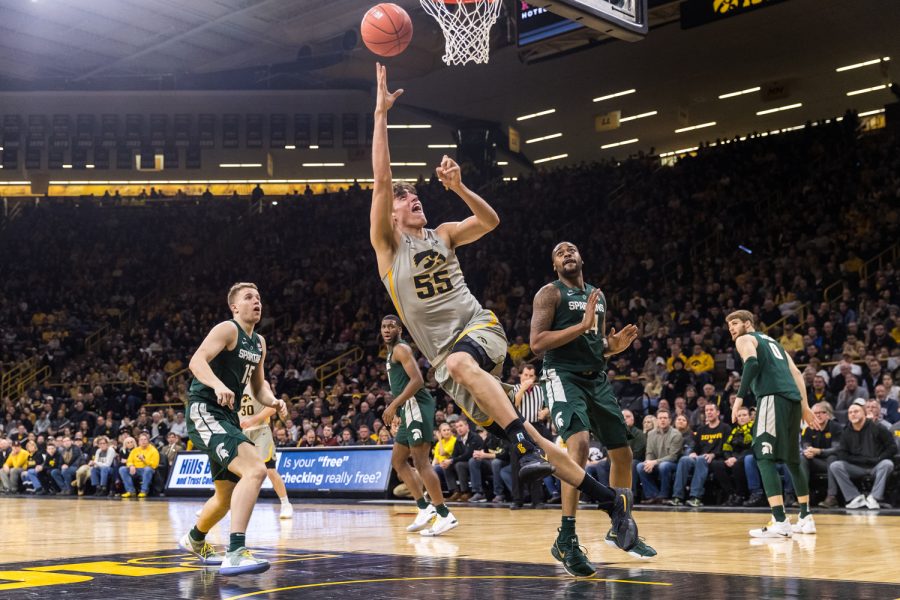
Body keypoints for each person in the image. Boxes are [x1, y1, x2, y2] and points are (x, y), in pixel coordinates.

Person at [369, 63, 636, 553]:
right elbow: (381, 176)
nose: (415, 202)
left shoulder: (445, 232)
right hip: (450, 367)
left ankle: (519, 444)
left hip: (478, 329)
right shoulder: (388, 248)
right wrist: (381, 114)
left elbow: (491, 220)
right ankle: (607, 504)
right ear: (390, 213)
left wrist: (458, 188)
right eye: (407, 201)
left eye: (417, 197)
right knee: (535, 434)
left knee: (465, 368)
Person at [530, 240, 654, 575]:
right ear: (555, 266)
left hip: (595, 377)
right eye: (559, 252)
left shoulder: (596, 296)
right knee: (580, 444)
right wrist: (581, 327)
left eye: (571, 250)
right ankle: (567, 537)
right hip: (561, 374)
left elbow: (595, 344)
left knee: (623, 451)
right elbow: (537, 343)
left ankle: (620, 525)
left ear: (582, 258)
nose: (567, 253)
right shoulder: (549, 294)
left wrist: (611, 347)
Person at [179, 282, 289, 575]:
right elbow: (196, 361)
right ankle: (236, 551)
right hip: (205, 409)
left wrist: (275, 401)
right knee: (256, 470)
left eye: (259, 297)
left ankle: (194, 538)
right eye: (249, 297)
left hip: (227, 417)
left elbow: (258, 388)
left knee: (225, 497)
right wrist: (217, 385)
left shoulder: (259, 343)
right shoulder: (227, 329)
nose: (256, 302)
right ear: (235, 306)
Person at [727, 310, 821, 538]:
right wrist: (805, 407)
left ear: (748, 324)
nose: (731, 328)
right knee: (792, 459)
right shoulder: (775, 344)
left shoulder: (745, 339)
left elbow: (751, 363)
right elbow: (797, 373)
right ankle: (806, 517)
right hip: (792, 401)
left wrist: (738, 400)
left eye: (735, 323)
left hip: (771, 398)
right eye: (729, 325)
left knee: (763, 455)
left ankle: (779, 521)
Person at [379, 315, 456, 535]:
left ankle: (444, 514)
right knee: (398, 460)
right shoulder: (391, 352)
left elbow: (417, 381)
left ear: (399, 330)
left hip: (417, 406)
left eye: (391, 326)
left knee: (421, 462)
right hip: (408, 408)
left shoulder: (401, 349)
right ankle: (424, 508)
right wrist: (399, 410)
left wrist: (393, 406)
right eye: (384, 326)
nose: (386, 329)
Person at [828, 398, 895, 509]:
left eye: (856, 411)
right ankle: (855, 497)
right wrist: (860, 460)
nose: (853, 414)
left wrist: (879, 459)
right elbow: (842, 453)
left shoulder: (878, 427)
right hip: (856, 467)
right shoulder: (846, 432)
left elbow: (892, 447)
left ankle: (874, 497)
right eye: (850, 412)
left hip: (876, 466)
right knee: (835, 466)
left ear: (864, 413)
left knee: (887, 464)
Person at [239, 381, 293, 519]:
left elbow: (272, 408)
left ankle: (286, 504)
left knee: (270, 470)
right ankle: (219, 503)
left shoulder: (260, 383)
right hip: (243, 433)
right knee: (234, 472)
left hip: (260, 431)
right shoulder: (233, 383)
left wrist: (252, 420)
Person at [637, 409, 683, 504]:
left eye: (665, 418)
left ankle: (663, 496)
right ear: (657, 420)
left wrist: (654, 462)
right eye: (660, 418)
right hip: (656, 463)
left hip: (673, 464)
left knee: (664, 465)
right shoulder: (651, 434)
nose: (662, 420)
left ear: (670, 420)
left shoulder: (676, 434)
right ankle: (653, 495)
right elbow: (649, 452)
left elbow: (673, 456)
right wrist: (648, 462)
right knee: (640, 466)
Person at [119, 432, 159, 498]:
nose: (143, 441)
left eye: (145, 439)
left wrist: (144, 460)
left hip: (147, 470)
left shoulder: (153, 451)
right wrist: (131, 466)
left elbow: (154, 465)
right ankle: (131, 491)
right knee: (122, 469)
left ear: (148, 441)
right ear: (138, 442)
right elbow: (129, 460)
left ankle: (144, 491)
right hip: (135, 469)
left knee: (147, 469)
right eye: (141, 440)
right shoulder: (135, 450)